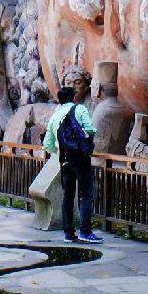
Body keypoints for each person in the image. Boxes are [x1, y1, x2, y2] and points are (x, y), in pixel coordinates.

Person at [43, 85, 102, 244]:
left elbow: (47, 144)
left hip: (65, 160)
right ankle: (85, 231)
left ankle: (68, 233)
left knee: (68, 196)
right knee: (86, 195)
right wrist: (82, 139)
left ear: (60, 99)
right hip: (81, 159)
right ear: (73, 97)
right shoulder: (80, 109)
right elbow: (90, 129)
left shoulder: (55, 116)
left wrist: (61, 149)